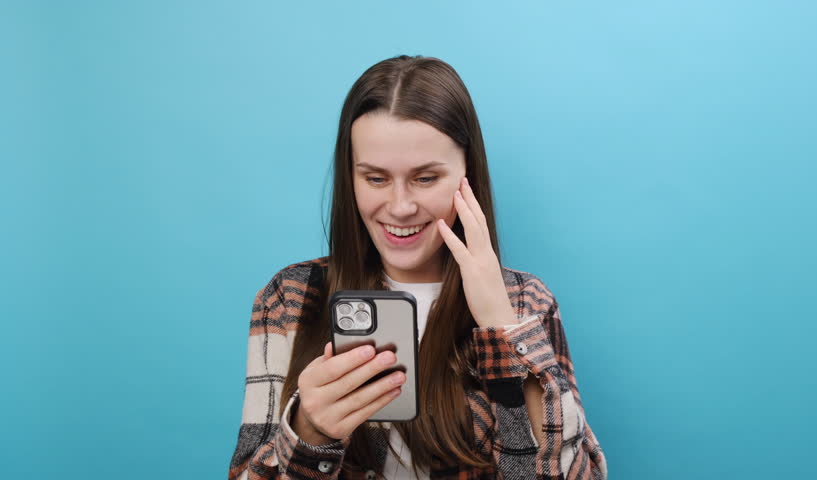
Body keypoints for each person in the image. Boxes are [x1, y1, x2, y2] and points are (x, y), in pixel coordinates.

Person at [228, 55, 607, 480]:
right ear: (349, 178)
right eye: (375, 178)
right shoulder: (290, 300)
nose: (401, 207)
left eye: (426, 179)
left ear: (468, 175)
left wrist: (504, 329)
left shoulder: (526, 301)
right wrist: (309, 433)